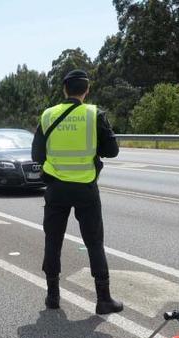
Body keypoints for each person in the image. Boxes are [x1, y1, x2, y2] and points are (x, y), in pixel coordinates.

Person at [32, 69, 123, 315]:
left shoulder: (48, 115)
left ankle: (52, 296)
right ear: (86, 90)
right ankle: (103, 299)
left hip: (56, 189)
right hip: (85, 189)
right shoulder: (95, 114)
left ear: (64, 90)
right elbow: (112, 151)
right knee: (94, 243)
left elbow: (37, 155)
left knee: (53, 241)